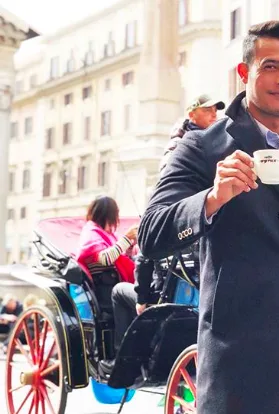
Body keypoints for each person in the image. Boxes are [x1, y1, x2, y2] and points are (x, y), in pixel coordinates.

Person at [139, 20, 279, 414]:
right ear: (244, 72)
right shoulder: (201, 147)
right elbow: (152, 232)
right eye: (270, 66)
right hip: (240, 373)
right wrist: (212, 198)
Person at [99, 95, 226, 377]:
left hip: (176, 262)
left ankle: (120, 357)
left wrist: (142, 297)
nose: (214, 115)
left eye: (215, 111)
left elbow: (144, 253)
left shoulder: (197, 146)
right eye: (208, 110)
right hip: (183, 242)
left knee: (119, 292)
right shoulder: (193, 149)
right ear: (192, 114)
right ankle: (122, 355)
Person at [76, 196, 138, 312]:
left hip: (112, 286)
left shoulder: (107, 234)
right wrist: (126, 238)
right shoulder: (91, 232)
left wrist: (129, 246)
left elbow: (120, 259)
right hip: (104, 291)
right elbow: (105, 259)